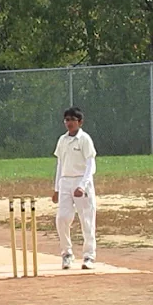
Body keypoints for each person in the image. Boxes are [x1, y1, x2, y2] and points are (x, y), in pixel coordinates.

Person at [52, 107, 97, 270]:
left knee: (87, 219)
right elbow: (60, 164)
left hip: (81, 181)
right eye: (66, 120)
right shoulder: (62, 140)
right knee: (62, 218)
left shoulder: (84, 139)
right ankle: (67, 254)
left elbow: (91, 165)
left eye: (72, 119)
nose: (69, 123)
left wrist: (82, 185)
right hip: (65, 181)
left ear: (80, 122)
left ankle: (89, 256)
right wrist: (56, 188)